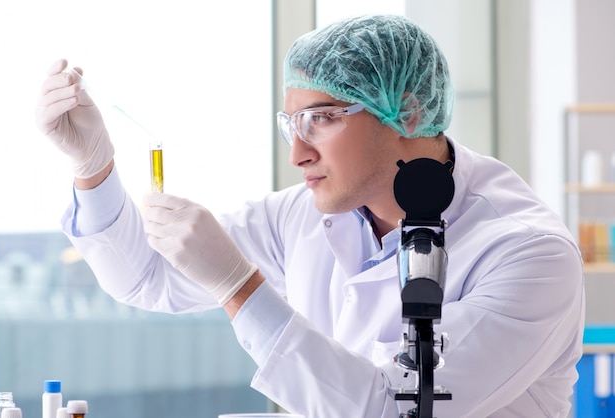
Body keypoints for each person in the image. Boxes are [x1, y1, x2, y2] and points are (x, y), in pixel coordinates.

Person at [36, 14, 585, 418]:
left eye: (321, 118)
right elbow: (145, 280)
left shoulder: (527, 253)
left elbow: (395, 409)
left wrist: (239, 286)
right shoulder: (298, 215)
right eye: (291, 124)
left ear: (409, 112)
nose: (297, 153)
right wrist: (93, 166)